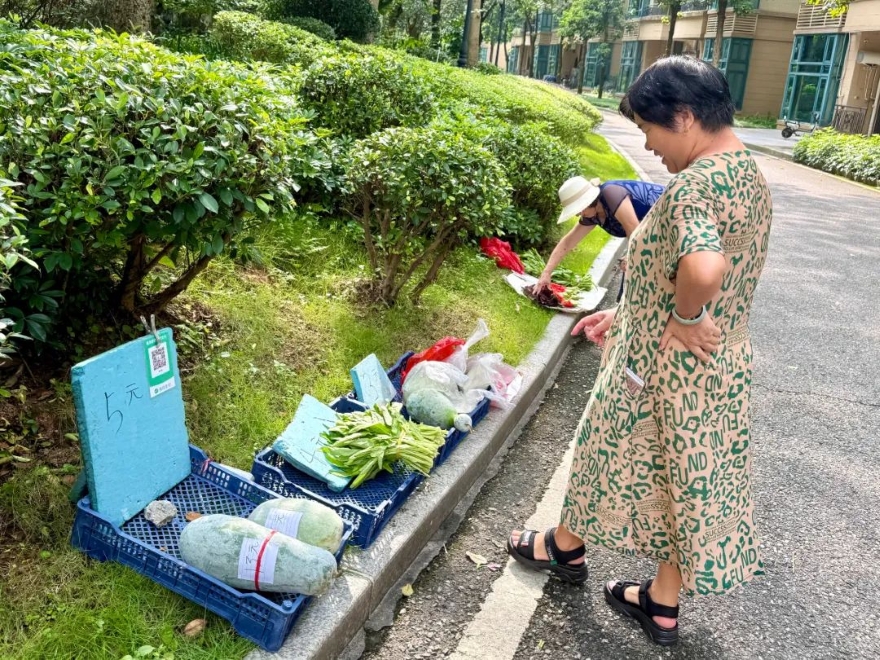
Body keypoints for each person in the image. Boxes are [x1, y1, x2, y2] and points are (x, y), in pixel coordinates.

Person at [507, 55, 772, 646]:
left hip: (659, 368)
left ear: (684, 116)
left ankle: (563, 547)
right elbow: (697, 269)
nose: (649, 145)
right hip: (717, 366)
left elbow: (704, 267)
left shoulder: (694, 186)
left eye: (650, 129)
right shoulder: (746, 173)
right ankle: (661, 603)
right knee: (684, 484)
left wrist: (683, 316)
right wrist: (628, 311)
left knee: (601, 449)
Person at [536, 176, 664, 299]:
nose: (578, 214)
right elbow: (568, 242)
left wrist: (631, 256)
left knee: (653, 285)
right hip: (652, 234)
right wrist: (546, 273)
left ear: (588, 201)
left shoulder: (611, 194)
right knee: (632, 288)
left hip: (669, 220)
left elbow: (635, 232)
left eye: (579, 209)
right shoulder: (592, 214)